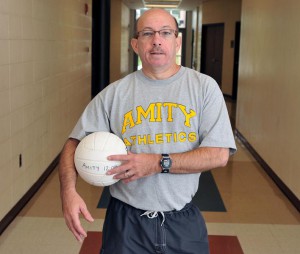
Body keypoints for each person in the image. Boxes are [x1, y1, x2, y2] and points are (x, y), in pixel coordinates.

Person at [59, 8, 236, 254]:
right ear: (135, 44)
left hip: (183, 222)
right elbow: (73, 143)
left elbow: (219, 154)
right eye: (147, 33)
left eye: (165, 32)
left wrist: (156, 163)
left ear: (177, 41)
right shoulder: (114, 94)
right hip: (126, 224)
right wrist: (68, 192)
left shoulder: (204, 88)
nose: (156, 40)